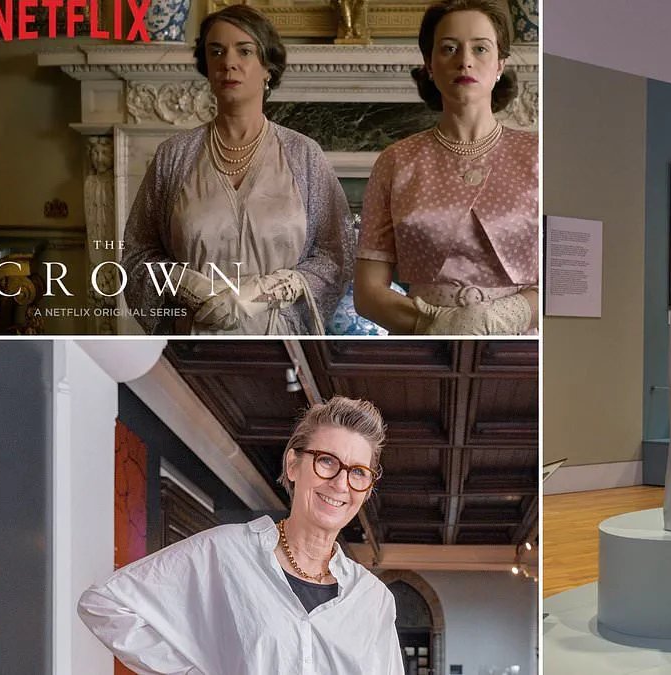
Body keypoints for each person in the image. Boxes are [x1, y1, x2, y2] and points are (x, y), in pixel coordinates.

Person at [78, 397, 404, 674]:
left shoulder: (373, 600)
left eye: (358, 472)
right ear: (293, 465)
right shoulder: (225, 552)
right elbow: (105, 604)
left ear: (368, 488)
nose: (341, 483)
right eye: (327, 462)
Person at [121, 5, 354, 335]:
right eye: (216, 51)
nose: (228, 62)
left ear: (267, 68)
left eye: (244, 51)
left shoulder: (304, 155)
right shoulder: (174, 156)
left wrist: (268, 291)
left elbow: (336, 256)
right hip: (194, 340)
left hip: (277, 340)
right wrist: (185, 283)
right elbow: (136, 256)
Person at [353, 0, 538, 335]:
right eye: (449, 48)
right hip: (423, 341)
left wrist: (499, 318)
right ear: (429, 64)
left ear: (500, 65)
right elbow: (368, 295)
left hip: (517, 348)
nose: (464, 61)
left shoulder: (539, 155)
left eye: (480, 48)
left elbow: (563, 280)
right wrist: (437, 322)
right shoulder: (396, 161)